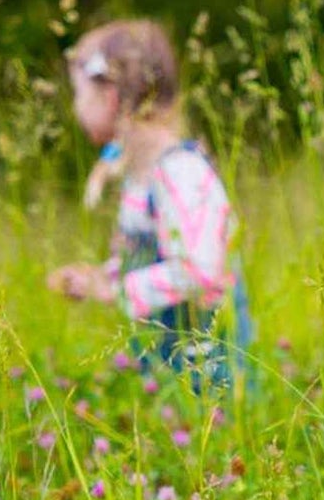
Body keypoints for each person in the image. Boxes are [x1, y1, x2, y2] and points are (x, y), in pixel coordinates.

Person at [47, 20, 251, 392]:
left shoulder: (179, 172)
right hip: (166, 362)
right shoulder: (141, 174)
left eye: (78, 94)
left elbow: (199, 269)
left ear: (109, 96)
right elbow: (152, 258)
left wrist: (119, 290)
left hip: (206, 369)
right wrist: (103, 278)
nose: (75, 107)